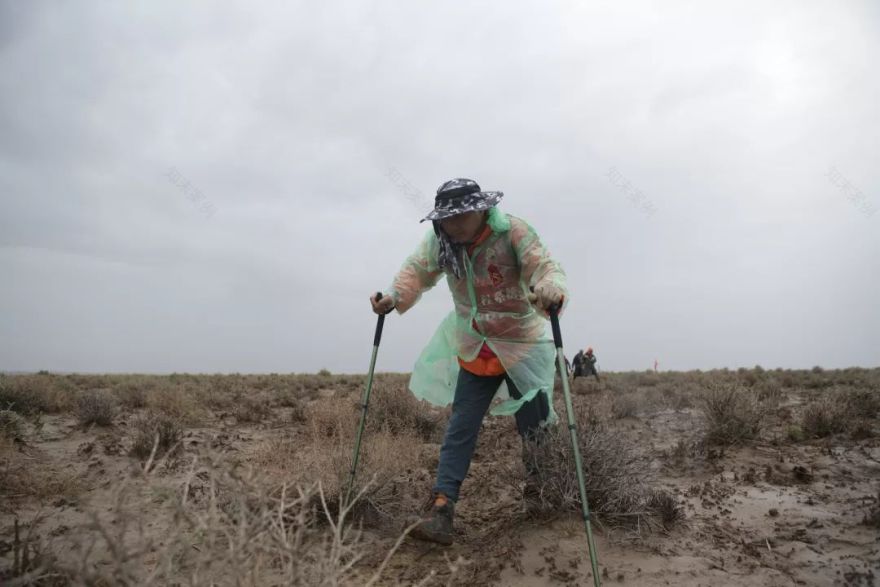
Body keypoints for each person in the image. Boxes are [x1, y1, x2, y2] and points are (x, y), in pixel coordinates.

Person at [370, 178, 568, 545]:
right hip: (476, 344)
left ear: (481, 209)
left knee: (535, 426)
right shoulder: (441, 242)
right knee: (461, 426)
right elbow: (416, 270)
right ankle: (441, 507)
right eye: (448, 218)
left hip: (521, 344)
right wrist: (394, 297)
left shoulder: (512, 232)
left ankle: (545, 497)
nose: (455, 224)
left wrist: (550, 288)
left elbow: (544, 266)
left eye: (462, 215)